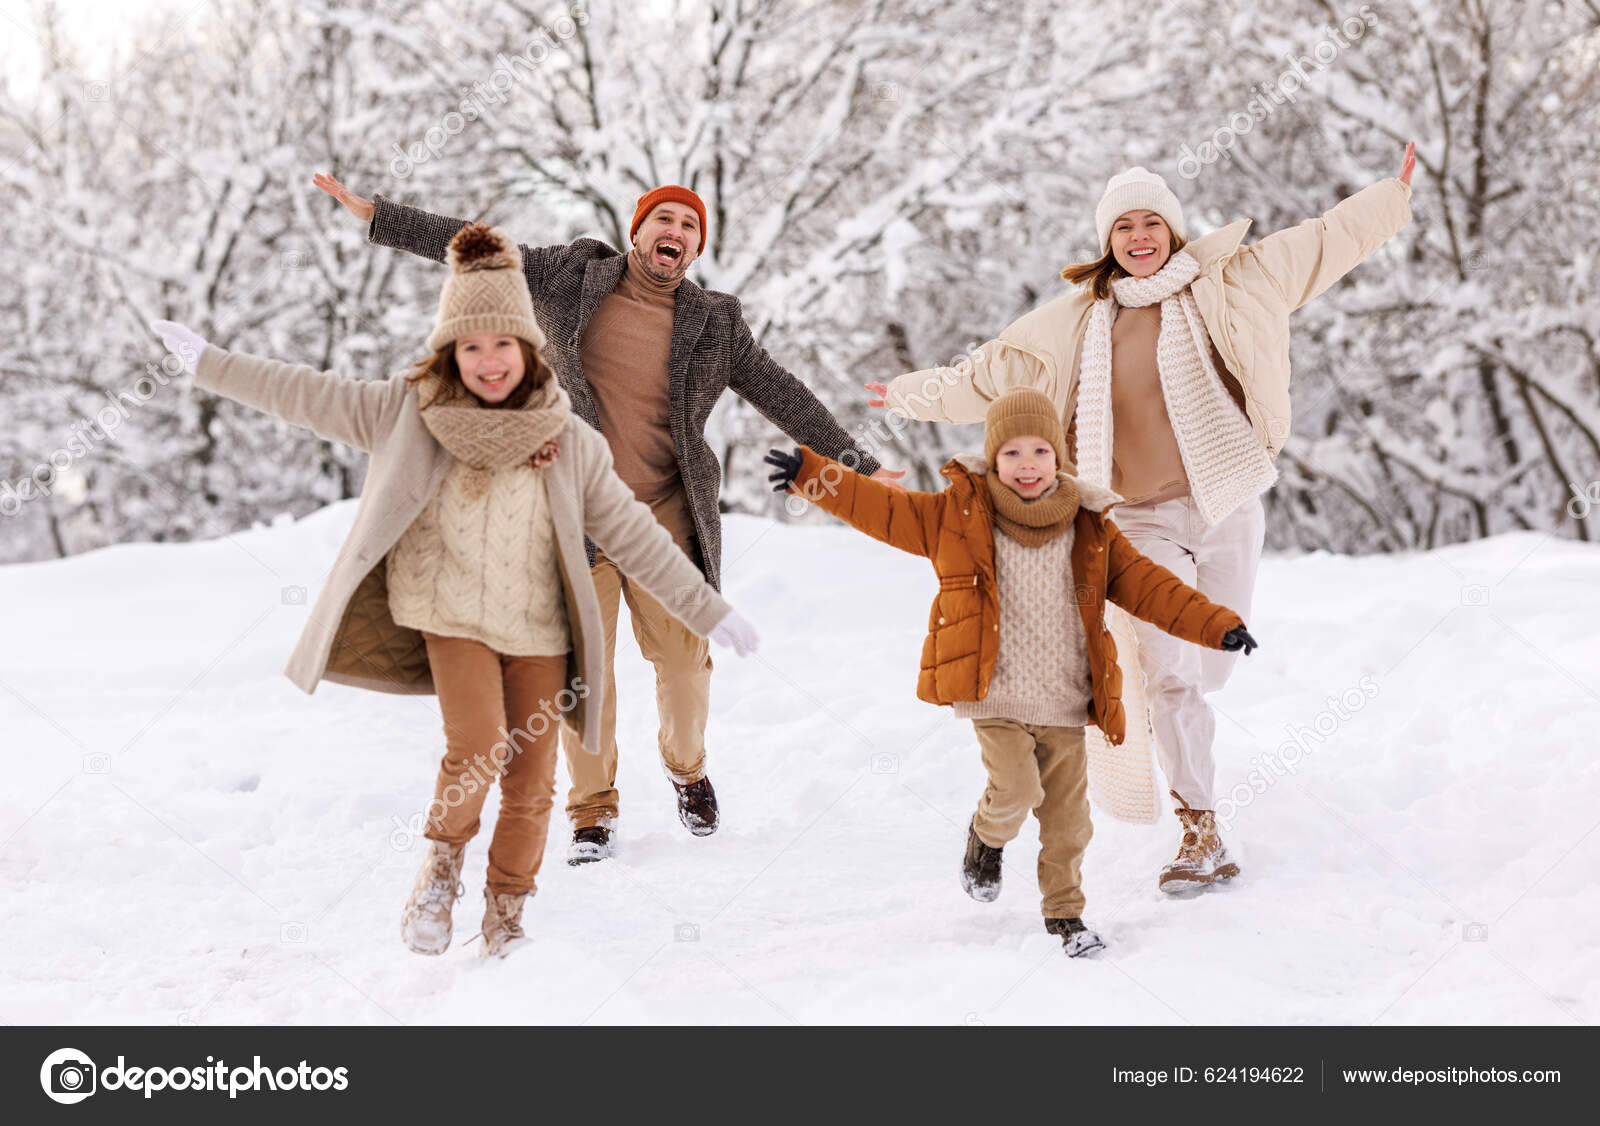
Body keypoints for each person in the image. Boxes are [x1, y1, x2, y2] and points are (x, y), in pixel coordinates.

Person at [151, 223, 758, 958]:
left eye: (504, 344)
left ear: (528, 351)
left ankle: (505, 916)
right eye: (472, 347)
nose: (489, 361)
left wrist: (706, 607)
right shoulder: (405, 411)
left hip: (539, 625)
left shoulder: (567, 438)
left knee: (533, 780)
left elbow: (633, 534)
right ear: (451, 351)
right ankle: (440, 868)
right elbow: (303, 393)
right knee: (476, 748)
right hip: (452, 615)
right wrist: (209, 363)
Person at [867, 144, 1414, 891]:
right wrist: (903, 395)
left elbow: (1324, 239)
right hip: (1138, 522)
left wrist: (1391, 195)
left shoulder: (1234, 284)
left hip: (1225, 502)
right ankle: (1201, 830)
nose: (1138, 235)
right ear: (1107, 243)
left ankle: (1183, 725)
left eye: (1151, 220)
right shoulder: (1070, 326)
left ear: (1174, 229)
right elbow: (982, 376)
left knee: (1210, 669)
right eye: (1123, 226)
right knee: (1170, 675)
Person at [314, 173, 904, 861]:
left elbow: (782, 393)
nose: (675, 234)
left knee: (685, 666)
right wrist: (380, 216)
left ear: (696, 248)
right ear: (638, 229)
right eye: (666, 220)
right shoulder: (569, 276)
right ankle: (593, 810)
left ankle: (687, 770)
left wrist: (857, 463)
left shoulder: (715, 322)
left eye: (689, 227)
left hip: (665, 515)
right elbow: (475, 247)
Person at [764, 388, 1256, 955]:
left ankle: (1066, 918)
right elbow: (884, 510)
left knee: (1070, 823)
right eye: (1012, 453)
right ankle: (985, 838)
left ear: (1059, 457)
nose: (1027, 465)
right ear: (993, 459)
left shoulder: (1091, 527)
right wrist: (813, 474)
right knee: (1016, 789)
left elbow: (1151, 587)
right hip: (994, 695)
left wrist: (1216, 624)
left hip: (1065, 702)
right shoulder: (956, 515)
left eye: (1040, 451)